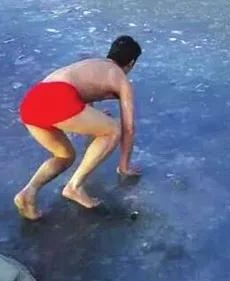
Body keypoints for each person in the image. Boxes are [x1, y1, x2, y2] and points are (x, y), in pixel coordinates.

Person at [14, 35, 142, 220]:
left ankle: (28, 193)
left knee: (64, 156)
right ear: (131, 63)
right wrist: (124, 167)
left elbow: (79, 91)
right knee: (113, 130)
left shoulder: (92, 63)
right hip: (57, 99)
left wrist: (94, 117)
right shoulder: (121, 78)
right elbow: (128, 128)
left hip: (31, 102)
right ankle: (74, 187)